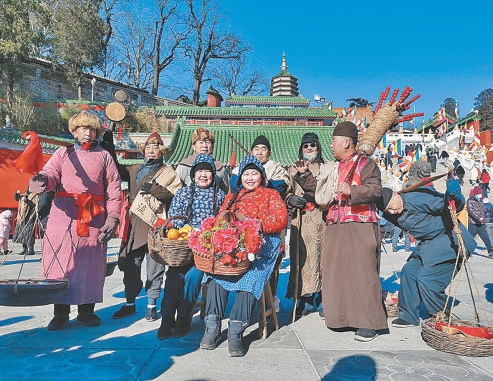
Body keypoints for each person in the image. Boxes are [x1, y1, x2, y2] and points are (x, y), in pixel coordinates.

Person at [28, 110, 121, 330]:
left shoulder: (105, 156)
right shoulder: (63, 153)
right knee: (61, 265)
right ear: (75, 131)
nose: (87, 133)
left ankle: (86, 312)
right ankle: (60, 313)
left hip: (93, 217)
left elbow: (115, 189)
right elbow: (50, 173)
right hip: (63, 216)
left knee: (89, 266)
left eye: (92, 129)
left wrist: (113, 216)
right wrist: (42, 181)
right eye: (83, 129)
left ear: (97, 132)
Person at [295, 121, 388, 342]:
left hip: (359, 223)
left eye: (334, 141)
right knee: (337, 273)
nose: (331, 145)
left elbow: (376, 189)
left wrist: (352, 189)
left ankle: (368, 323)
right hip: (336, 224)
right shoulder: (334, 167)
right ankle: (341, 318)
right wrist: (305, 176)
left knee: (362, 273)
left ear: (347, 142)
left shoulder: (366, 164)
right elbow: (321, 194)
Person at [199, 154, 288, 357]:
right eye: (245, 173)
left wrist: (258, 224)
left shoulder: (270, 195)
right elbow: (221, 219)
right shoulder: (232, 197)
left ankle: (235, 331)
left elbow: (281, 218)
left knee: (250, 279)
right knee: (216, 275)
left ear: (261, 176)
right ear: (240, 177)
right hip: (233, 247)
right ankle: (212, 326)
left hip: (262, 249)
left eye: (254, 173)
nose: (249, 177)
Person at [377, 178, 477, 328]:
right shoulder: (391, 213)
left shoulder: (418, 198)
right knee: (409, 271)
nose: (392, 212)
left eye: (391, 207)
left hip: (450, 241)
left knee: (428, 280)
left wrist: (455, 195)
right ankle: (408, 316)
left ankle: (441, 316)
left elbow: (451, 206)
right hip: (428, 245)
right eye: (388, 211)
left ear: (397, 195)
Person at [113, 132, 183, 321]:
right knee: (131, 264)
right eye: (149, 147)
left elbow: (175, 196)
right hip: (134, 222)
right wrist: (109, 148)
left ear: (162, 151)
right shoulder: (135, 168)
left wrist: (155, 190)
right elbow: (117, 169)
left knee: (155, 265)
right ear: (144, 151)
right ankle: (130, 303)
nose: (152, 150)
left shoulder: (169, 173)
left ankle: (151, 305)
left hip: (155, 223)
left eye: (156, 147)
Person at [157, 153, 226, 340]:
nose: (203, 175)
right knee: (173, 278)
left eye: (207, 171)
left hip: (205, 250)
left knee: (193, 279)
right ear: (193, 174)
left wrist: (206, 233)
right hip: (183, 247)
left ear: (213, 174)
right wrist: (187, 229)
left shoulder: (220, 195)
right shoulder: (185, 192)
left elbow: (223, 222)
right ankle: (166, 319)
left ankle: (183, 319)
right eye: (199, 171)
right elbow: (175, 214)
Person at [230, 135, 291, 302]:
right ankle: (243, 297)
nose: (259, 152)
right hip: (243, 233)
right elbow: (235, 184)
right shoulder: (240, 169)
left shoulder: (275, 168)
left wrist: (264, 183)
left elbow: (282, 186)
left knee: (269, 266)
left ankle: (270, 298)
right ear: (251, 151)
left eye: (263, 149)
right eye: (256, 149)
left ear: (269, 153)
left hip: (267, 228)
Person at [285, 132, 326, 318]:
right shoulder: (293, 168)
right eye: (305, 146)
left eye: (312, 145)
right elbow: (285, 190)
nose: (309, 148)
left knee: (322, 257)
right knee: (302, 259)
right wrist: (290, 198)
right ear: (301, 150)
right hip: (301, 219)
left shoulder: (327, 168)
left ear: (318, 147)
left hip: (322, 219)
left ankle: (323, 295)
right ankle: (304, 297)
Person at [175, 127, 229, 194]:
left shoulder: (219, 168)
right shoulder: (184, 166)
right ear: (193, 146)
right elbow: (176, 190)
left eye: (207, 142)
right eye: (201, 142)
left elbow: (225, 191)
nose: (204, 145)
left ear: (212, 146)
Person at [13, 189, 54, 256]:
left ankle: (31, 249)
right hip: (23, 216)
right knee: (22, 234)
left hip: (30, 216)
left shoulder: (36, 196)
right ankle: (24, 248)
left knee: (29, 234)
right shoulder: (26, 195)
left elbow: (35, 206)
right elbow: (18, 199)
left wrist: (27, 201)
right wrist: (17, 194)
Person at [467, 186, 493, 256]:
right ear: (475, 194)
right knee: (469, 239)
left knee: (486, 238)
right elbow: (471, 211)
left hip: (481, 224)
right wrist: (479, 218)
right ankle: (466, 251)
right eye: (478, 193)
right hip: (473, 224)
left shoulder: (480, 200)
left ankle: (491, 252)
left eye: (480, 193)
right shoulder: (470, 201)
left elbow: (482, 210)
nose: (480, 195)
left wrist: (483, 218)